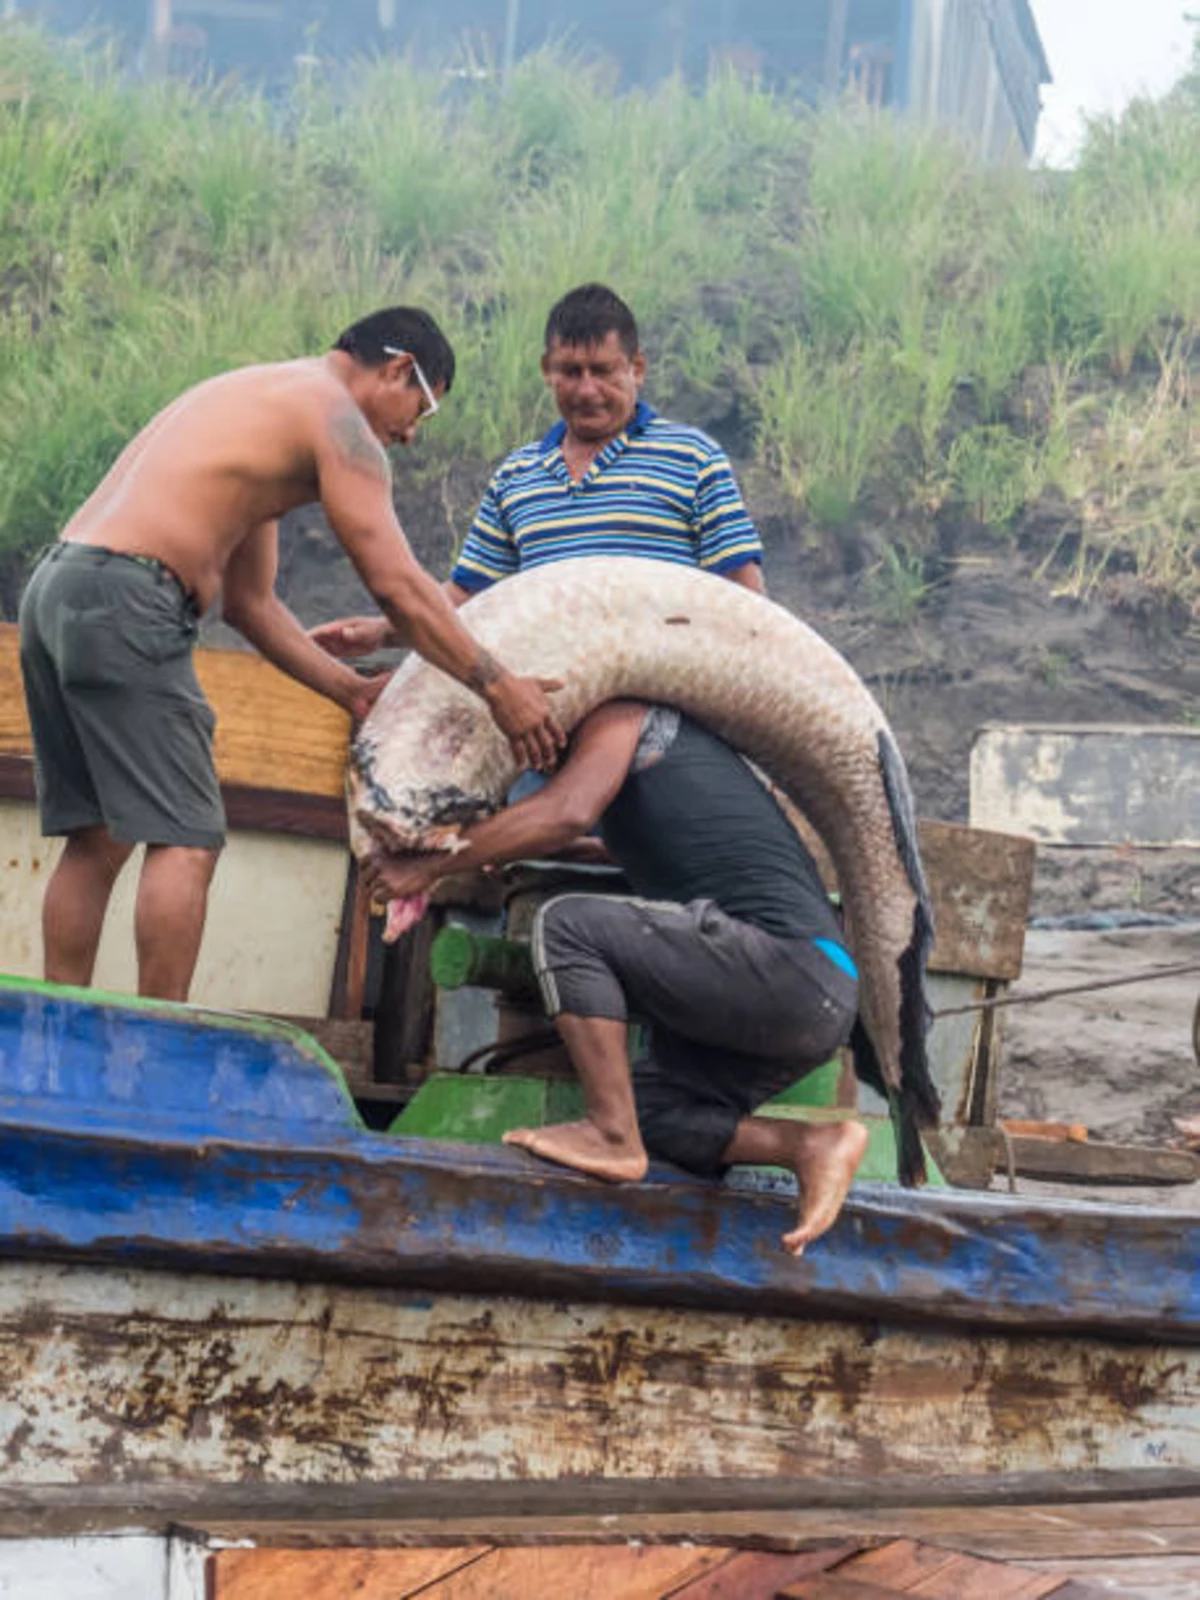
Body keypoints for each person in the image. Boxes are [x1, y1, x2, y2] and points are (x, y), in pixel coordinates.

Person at [18, 307, 564, 1004]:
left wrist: (352, 691)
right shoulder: (339, 421)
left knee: (95, 839)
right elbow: (399, 586)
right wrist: (497, 685)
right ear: (399, 369)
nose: (409, 435)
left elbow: (251, 605)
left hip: (60, 589)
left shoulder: (266, 401)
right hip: (132, 598)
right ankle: (149, 1041)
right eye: (420, 410)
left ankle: (53, 1027)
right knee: (187, 840)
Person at [362, 700, 868, 1257]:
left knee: (568, 924)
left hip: (790, 967)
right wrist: (499, 842)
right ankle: (811, 1144)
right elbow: (590, 834)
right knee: (655, 1113)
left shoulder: (626, 716)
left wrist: (430, 865)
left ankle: (608, 1132)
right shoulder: (656, 787)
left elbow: (568, 811)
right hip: (813, 1000)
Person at [310, 282, 765, 660]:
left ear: (637, 368)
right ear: (547, 371)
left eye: (603, 371)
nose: (587, 390)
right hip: (555, 694)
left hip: (667, 682)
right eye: (570, 371)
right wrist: (381, 633)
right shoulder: (517, 476)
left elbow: (746, 600)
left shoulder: (693, 457)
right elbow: (467, 601)